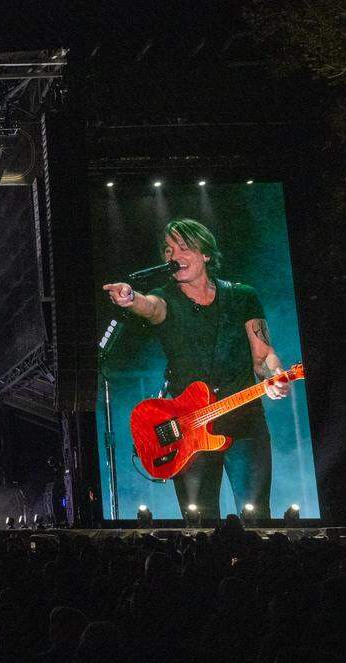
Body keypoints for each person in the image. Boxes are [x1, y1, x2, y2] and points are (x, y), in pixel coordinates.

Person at [103, 218, 290, 519]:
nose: (174, 255)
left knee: (256, 518)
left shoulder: (242, 296)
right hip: (187, 429)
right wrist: (130, 298)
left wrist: (275, 376)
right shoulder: (166, 300)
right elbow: (148, 306)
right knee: (200, 523)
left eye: (184, 247)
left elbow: (264, 355)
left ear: (205, 254)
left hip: (244, 422)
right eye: (168, 249)